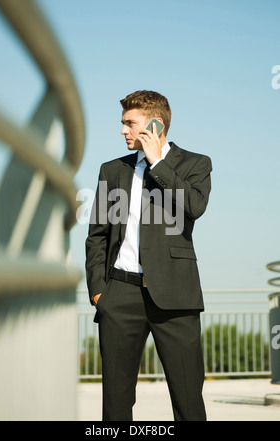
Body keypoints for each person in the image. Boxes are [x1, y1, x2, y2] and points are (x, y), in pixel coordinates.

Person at [85, 90, 212, 421]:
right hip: (119, 295)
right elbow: (97, 235)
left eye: (130, 123)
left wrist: (158, 163)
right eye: (122, 123)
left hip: (176, 296)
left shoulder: (195, 164)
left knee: (188, 401)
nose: (123, 130)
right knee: (115, 403)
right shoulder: (111, 170)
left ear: (154, 125)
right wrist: (100, 291)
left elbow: (194, 208)